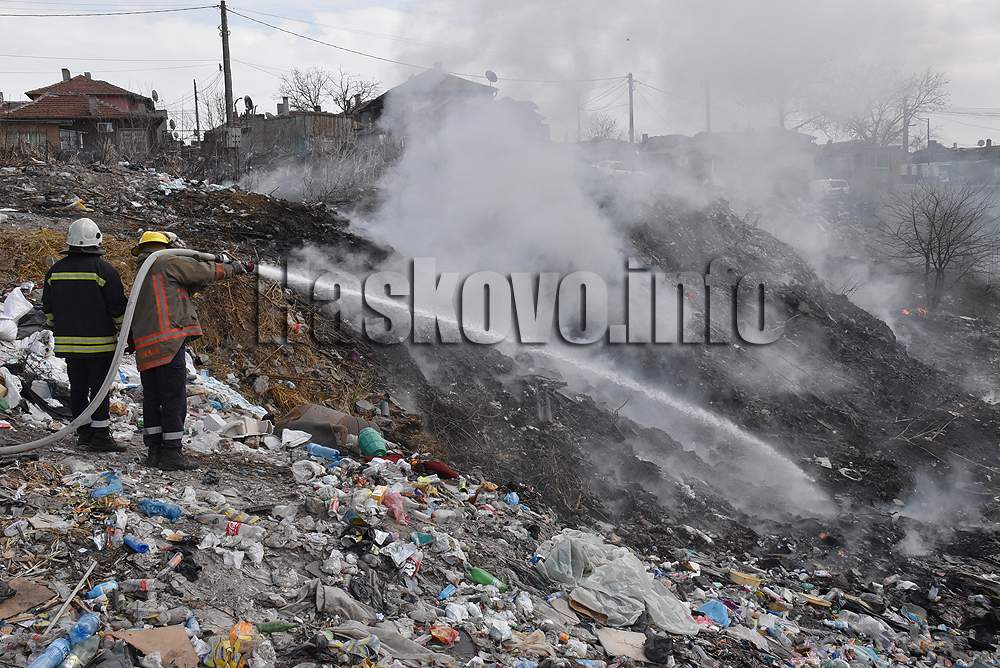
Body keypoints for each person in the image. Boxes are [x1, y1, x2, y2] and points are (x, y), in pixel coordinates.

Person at [129, 231, 246, 470]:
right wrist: (234, 268)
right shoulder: (166, 261)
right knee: (173, 398)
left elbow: (187, 285)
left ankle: (154, 452)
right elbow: (202, 271)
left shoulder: (143, 272)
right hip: (168, 342)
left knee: (153, 400)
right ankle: (171, 453)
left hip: (146, 347)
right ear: (166, 247)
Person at [42, 218, 128, 452]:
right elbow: (118, 308)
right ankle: (100, 435)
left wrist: (58, 327)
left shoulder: (55, 271)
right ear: (97, 240)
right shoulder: (104, 270)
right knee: (99, 389)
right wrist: (126, 333)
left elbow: (47, 307)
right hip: (100, 345)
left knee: (78, 387)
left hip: (69, 345)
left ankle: (83, 432)